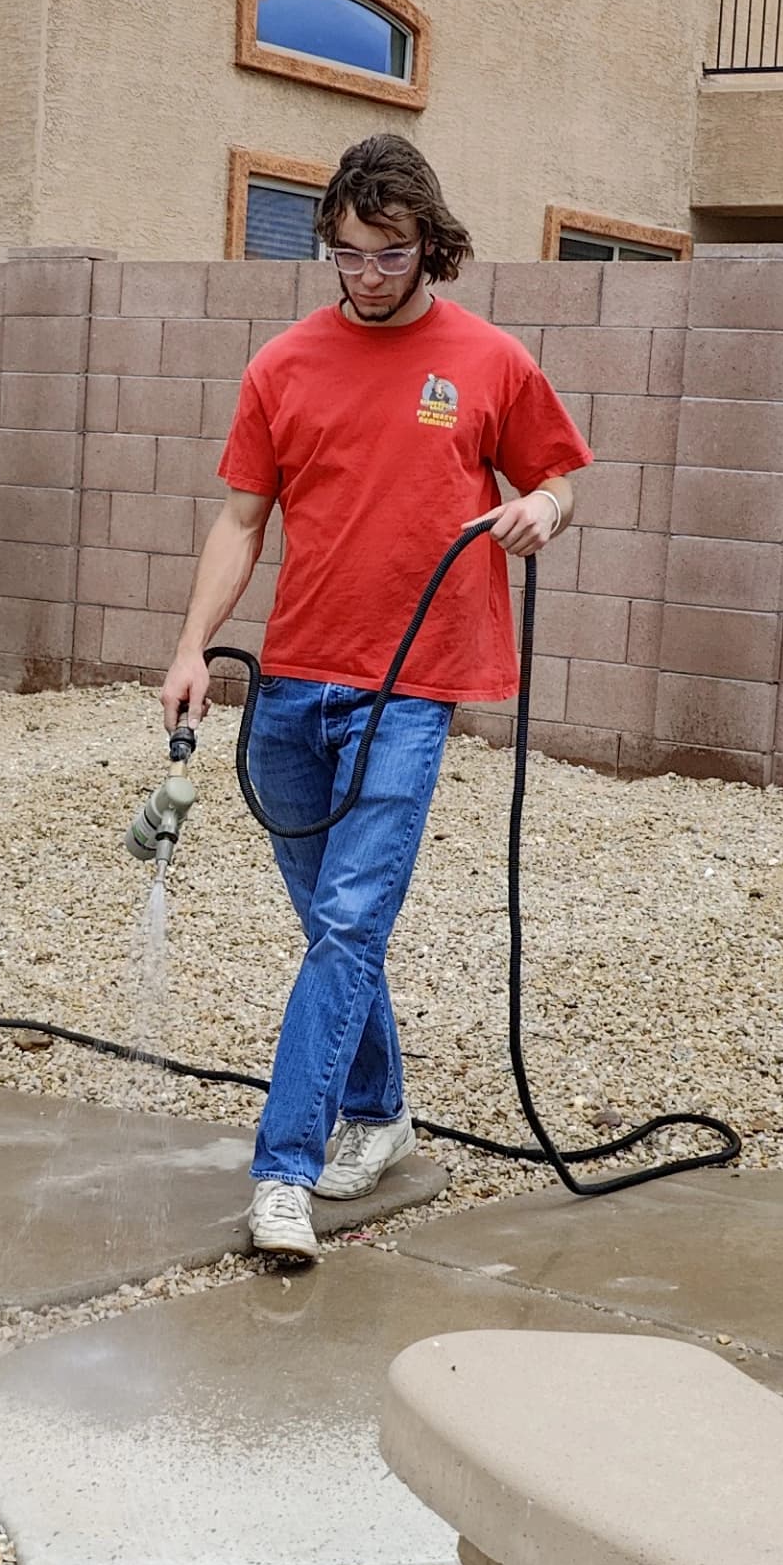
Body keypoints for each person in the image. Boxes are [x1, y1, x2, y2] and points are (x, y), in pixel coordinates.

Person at [159, 135, 586, 1266]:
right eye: (345, 255)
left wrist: (545, 508)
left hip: (416, 685)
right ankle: (383, 1112)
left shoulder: (489, 362)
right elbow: (242, 521)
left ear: (428, 242)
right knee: (330, 926)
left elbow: (558, 475)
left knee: (352, 921)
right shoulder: (284, 365)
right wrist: (194, 646)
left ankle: (286, 1170)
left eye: (387, 254)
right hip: (296, 680)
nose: (365, 276)